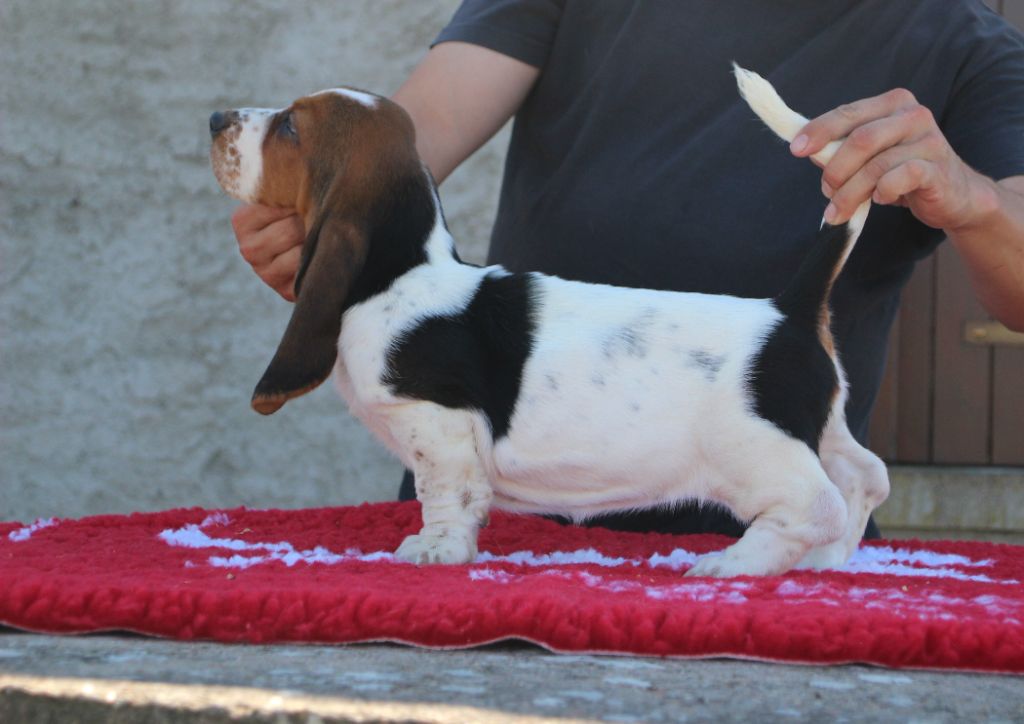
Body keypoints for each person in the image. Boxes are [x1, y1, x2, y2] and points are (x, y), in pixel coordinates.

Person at [231, 1, 1024, 539]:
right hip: (502, 523)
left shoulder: (968, 45)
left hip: (768, 536)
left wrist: (976, 200)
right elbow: (420, 131)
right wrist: (324, 205)